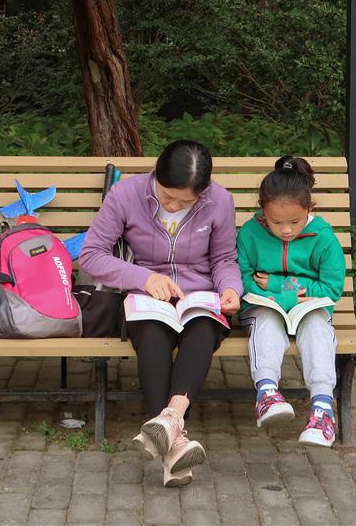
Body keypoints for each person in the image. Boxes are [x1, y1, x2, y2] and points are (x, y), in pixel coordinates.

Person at [79, 140, 242, 487]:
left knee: (202, 329)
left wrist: (230, 289)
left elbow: (224, 259)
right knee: (152, 334)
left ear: (205, 191)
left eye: (186, 201)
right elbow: (91, 255)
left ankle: (168, 426)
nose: (174, 205)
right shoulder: (126, 194)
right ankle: (175, 443)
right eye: (168, 195)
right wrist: (144, 277)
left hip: (198, 293)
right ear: (156, 174)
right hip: (144, 294)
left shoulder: (220, 201)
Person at [236, 155, 346, 448]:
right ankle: (267, 393)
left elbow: (332, 287)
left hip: (306, 308)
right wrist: (278, 297)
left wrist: (278, 286)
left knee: (317, 327)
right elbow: (242, 280)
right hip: (263, 307)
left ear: (309, 208)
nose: (285, 230)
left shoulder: (323, 237)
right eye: (275, 222)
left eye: (295, 221)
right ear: (262, 210)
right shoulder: (250, 233)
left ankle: (322, 409)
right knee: (267, 321)